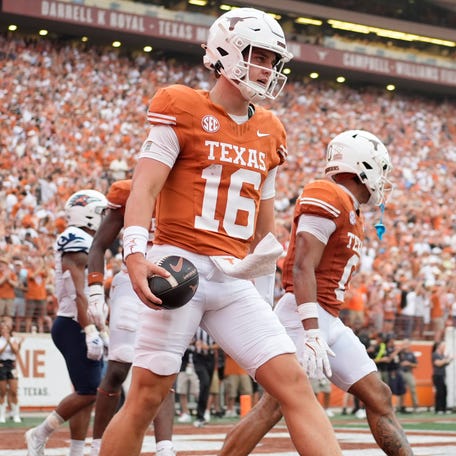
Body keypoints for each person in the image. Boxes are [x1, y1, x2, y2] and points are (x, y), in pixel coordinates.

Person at [99, 7, 342, 456]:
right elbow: (145, 187)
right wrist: (134, 252)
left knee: (294, 385)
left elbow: (264, 225)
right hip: (178, 266)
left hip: (233, 276)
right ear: (226, 51)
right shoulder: (181, 104)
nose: (267, 68)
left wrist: (263, 288)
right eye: (259, 56)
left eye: (273, 60)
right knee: (146, 399)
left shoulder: (270, 130)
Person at [220, 130, 414, 456]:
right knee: (275, 405)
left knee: (377, 394)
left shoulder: (351, 209)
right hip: (303, 314)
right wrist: (311, 331)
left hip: (329, 317)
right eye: (380, 169)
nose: (382, 180)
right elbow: (302, 266)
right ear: (360, 167)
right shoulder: (327, 195)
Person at [87, 179, 176, 456]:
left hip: (169, 283)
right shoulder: (128, 190)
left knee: (164, 366)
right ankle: (97, 446)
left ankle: (165, 449)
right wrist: (94, 293)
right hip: (130, 281)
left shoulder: (190, 189)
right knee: (117, 367)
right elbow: (99, 245)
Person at [25, 189, 108, 456]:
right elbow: (78, 293)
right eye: (100, 213)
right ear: (88, 214)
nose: (104, 218)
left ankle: (75, 451)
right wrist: (90, 330)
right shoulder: (77, 239)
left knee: (85, 394)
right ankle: (39, 433)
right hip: (73, 323)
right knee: (91, 391)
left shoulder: (86, 240)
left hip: (76, 322)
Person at [0, 317, 23, 423]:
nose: (4, 330)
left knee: (14, 391)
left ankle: (16, 414)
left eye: (5, 328)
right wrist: (5, 342)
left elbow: (15, 351)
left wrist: (9, 340)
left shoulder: (13, 340)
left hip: (11, 365)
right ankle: (2, 415)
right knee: (2, 391)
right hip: (2, 365)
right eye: (2, 328)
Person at [431, 340, 453, 414]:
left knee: (444, 391)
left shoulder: (442, 355)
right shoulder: (435, 354)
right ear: (439, 347)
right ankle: (438, 408)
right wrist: (446, 360)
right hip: (437, 375)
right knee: (439, 392)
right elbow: (438, 363)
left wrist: (449, 359)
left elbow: (445, 363)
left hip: (442, 375)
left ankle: (443, 408)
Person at [398, 339, 419, 413]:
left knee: (413, 389)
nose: (405, 345)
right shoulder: (399, 353)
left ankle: (416, 406)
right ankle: (400, 406)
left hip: (408, 372)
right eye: (403, 344)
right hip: (400, 372)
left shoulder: (411, 354)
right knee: (401, 390)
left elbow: (416, 365)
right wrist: (400, 349)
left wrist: (409, 364)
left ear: (409, 345)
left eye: (406, 344)